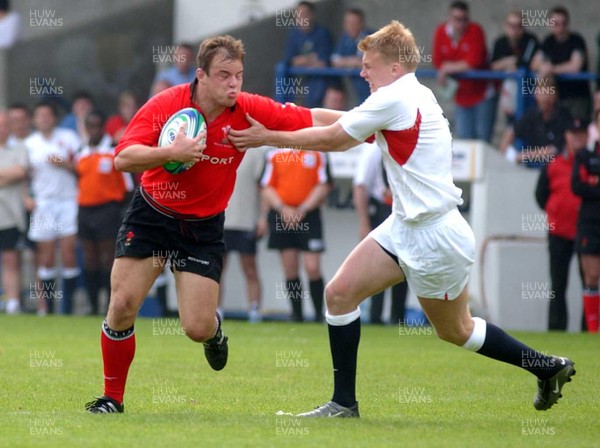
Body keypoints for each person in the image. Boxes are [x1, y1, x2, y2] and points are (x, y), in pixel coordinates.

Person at [230, 20, 576, 417]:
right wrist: (290, 114)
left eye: (368, 64)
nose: (361, 72)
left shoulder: (395, 98)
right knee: (339, 294)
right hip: (405, 226)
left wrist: (269, 136)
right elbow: (344, 119)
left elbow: (336, 139)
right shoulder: (406, 94)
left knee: (456, 330)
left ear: (394, 68)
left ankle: (546, 367)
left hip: (433, 236)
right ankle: (344, 404)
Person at [85, 34, 340, 414]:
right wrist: (171, 152)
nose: (233, 83)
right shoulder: (167, 105)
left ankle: (215, 331)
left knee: (196, 328)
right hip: (152, 215)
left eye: (238, 75)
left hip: (201, 228)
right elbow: (123, 157)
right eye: (224, 75)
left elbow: (311, 119)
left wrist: (373, 119)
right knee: (121, 304)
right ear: (200, 75)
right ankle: (112, 399)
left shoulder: (248, 109)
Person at [260, 145, 331, 322]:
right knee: (290, 268)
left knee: (312, 267)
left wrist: (303, 209)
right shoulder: (273, 153)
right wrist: (283, 209)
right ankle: (297, 315)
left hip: (309, 215)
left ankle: (318, 315)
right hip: (282, 215)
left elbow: (324, 184)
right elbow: (266, 186)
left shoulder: (318, 151)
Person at [26, 102, 81, 316]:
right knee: (46, 258)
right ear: (35, 119)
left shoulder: (68, 137)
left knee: (69, 255)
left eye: (47, 115)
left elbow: (83, 167)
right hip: (43, 204)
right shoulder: (29, 144)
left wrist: (64, 164)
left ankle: (68, 309)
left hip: (68, 202)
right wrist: (26, 198)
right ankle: (46, 309)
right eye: (39, 115)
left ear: (54, 118)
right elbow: (23, 176)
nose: (44, 119)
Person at [535, 118, 587, 331]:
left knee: (590, 283)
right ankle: (556, 328)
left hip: (587, 232)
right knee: (558, 284)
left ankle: (589, 328)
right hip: (559, 232)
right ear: (566, 135)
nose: (576, 137)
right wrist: (554, 213)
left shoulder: (592, 162)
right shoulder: (554, 164)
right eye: (573, 133)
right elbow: (541, 195)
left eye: (581, 133)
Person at [76, 111, 129, 316]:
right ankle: (92, 305)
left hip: (108, 210)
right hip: (85, 210)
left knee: (108, 258)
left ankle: (109, 305)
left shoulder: (114, 151)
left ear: (103, 127)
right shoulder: (81, 151)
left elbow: (127, 186)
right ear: (87, 128)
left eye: (98, 126)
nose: (94, 130)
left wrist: (118, 210)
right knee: (90, 258)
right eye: (91, 126)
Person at [353, 142, 407, 325]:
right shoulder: (373, 148)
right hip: (381, 209)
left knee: (404, 264)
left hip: (403, 209)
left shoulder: (405, 144)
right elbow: (360, 185)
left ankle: (397, 317)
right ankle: (375, 316)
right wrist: (363, 223)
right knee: (379, 264)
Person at [432, 1, 496, 142]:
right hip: (461, 95)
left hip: (482, 93)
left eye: (464, 19)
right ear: (449, 17)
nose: (461, 23)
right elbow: (437, 60)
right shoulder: (441, 32)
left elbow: (474, 61)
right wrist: (448, 66)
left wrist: (447, 67)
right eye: (457, 19)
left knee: (483, 141)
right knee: (464, 139)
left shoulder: (475, 30)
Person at [220, 146, 267, 322]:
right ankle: (217, 311)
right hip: (220, 221)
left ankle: (254, 310)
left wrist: (263, 217)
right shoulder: (218, 150)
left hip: (246, 221)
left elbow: (263, 189)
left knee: (250, 268)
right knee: (217, 269)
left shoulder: (256, 154)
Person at [532, 6, 592, 121]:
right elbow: (534, 63)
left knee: (577, 132)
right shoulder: (548, 41)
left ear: (568, 23)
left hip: (577, 97)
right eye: (556, 23)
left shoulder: (576, 40)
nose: (560, 27)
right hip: (557, 98)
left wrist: (551, 69)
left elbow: (575, 66)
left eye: (563, 23)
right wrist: (544, 67)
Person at [503, 76, 572, 168]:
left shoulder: (563, 116)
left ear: (555, 95)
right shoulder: (531, 114)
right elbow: (512, 131)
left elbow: (554, 149)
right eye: (541, 92)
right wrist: (502, 156)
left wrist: (522, 156)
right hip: (532, 166)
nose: (545, 98)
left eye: (549, 93)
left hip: (555, 165)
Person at [571, 120, 600, 333]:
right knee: (591, 275)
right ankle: (592, 330)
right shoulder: (585, 155)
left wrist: (594, 183)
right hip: (590, 223)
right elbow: (577, 186)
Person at [0, 111, 27, 314]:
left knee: (11, 259)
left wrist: (11, 175)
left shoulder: (20, 148)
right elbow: (12, 174)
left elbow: (20, 172)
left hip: (10, 215)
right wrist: (7, 176)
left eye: (4, 125)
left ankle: (13, 303)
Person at [490, 10, 539, 122]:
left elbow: (529, 63)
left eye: (519, 26)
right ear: (505, 26)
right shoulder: (500, 42)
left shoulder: (530, 40)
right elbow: (493, 66)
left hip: (529, 92)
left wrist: (509, 63)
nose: (515, 30)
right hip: (508, 92)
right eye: (512, 25)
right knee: (511, 124)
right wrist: (509, 61)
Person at [283, 1, 333, 107]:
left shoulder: (322, 33)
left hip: (318, 79)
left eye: (305, 14)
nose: (301, 18)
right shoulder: (294, 34)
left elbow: (322, 62)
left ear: (311, 15)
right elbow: (290, 60)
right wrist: (309, 59)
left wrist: (301, 60)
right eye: (298, 15)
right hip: (298, 78)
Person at [331, 8, 373, 104]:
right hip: (354, 84)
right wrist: (352, 61)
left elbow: (368, 62)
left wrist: (349, 62)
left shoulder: (371, 37)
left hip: (372, 84)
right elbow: (335, 60)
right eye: (348, 22)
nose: (351, 26)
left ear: (362, 23)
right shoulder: (345, 38)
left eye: (354, 22)